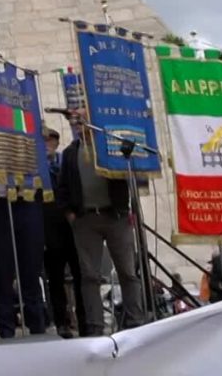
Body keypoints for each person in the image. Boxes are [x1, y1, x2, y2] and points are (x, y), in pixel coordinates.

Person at [57, 109, 146, 335]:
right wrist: (70, 215)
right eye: (76, 121)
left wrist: (129, 209)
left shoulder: (110, 148)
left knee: (127, 271)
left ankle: (135, 320)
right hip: (86, 219)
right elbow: (62, 187)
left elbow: (129, 176)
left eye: (82, 119)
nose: (79, 124)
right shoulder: (70, 153)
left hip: (115, 216)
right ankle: (95, 326)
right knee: (90, 276)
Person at [41, 128, 86, 338]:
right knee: (55, 279)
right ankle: (61, 322)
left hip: (72, 224)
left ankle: (84, 320)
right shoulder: (37, 167)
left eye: (51, 140)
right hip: (50, 227)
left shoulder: (65, 161)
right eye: (44, 141)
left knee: (80, 274)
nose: (48, 143)